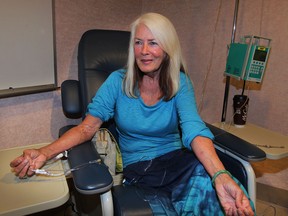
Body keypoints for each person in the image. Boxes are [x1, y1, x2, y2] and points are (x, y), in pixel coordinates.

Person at [10, 13, 254, 215]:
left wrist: (220, 175)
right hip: (140, 170)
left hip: (180, 164)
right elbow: (86, 128)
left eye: (153, 42)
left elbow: (193, 130)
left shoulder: (180, 82)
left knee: (223, 198)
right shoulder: (118, 82)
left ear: (168, 48)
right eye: (138, 42)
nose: (144, 51)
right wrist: (43, 152)